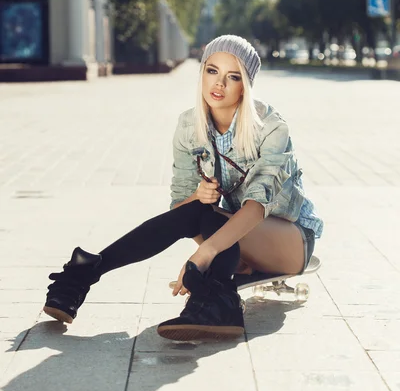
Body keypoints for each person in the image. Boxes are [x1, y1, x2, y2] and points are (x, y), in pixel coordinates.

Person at [43, 35, 323, 342]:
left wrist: (204, 253)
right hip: (230, 237)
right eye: (212, 71)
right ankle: (88, 272)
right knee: (199, 210)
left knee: (212, 218)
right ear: (201, 72)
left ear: (246, 84)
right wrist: (198, 196)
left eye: (233, 77)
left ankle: (214, 298)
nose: (219, 84)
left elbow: (257, 205)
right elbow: (179, 212)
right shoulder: (190, 126)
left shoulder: (270, 127)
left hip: (289, 241)